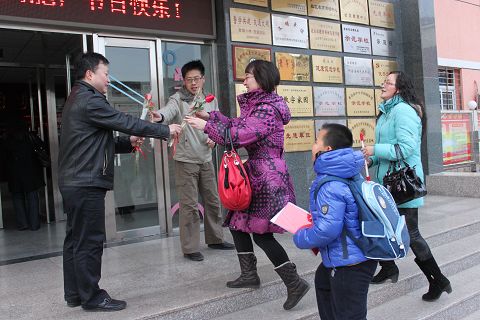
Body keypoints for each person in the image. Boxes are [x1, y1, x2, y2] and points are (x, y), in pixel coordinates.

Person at [58, 52, 181, 312]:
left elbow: (100, 142)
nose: (109, 81)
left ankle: (75, 294)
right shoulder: (89, 99)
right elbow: (122, 121)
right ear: (90, 74)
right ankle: (92, 296)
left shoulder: (78, 98)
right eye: (106, 74)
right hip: (85, 181)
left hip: (77, 180)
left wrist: (128, 142)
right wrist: (163, 130)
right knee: (89, 240)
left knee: (76, 238)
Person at [186, 60, 309, 310]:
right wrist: (210, 116)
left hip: (267, 177)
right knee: (237, 223)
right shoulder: (257, 105)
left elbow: (242, 135)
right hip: (256, 173)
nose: (244, 80)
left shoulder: (267, 108)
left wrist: (207, 126)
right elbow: (237, 125)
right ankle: (249, 275)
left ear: (262, 79)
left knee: (261, 235)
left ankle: (294, 282)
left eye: (248, 76)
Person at [361, 71, 452, 301]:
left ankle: (439, 280)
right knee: (380, 225)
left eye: (388, 83)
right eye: (384, 82)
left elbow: (406, 149)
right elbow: (388, 148)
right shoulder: (387, 111)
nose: (383, 85)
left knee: (411, 235)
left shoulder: (403, 111)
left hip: (403, 186)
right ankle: (389, 268)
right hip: (388, 184)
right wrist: (370, 159)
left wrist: (375, 150)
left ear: (399, 89)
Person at [152, 60, 234, 262]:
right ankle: (190, 248)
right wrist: (159, 116)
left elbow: (216, 122)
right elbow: (167, 111)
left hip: (205, 158)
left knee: (213, 201)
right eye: (189, 79)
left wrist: (214, 138)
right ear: (184, 81)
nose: (193, 83)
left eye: (197, 79)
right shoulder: (178, 99)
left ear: (203, 79)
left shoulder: (210, 99)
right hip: (185, 159)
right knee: (188, 205)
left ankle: (215, 239)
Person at [293, 123, 377, 320]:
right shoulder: (350, 172)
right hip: (356, 256)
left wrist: (300, 236)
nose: (312, 146)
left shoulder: (330, 184)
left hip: (349, 264)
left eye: (316, 142)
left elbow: (327, 230)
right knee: (323, 279)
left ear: (327, 149)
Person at [4, 121, 44, 231]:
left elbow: (4, 157)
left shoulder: (8, 140)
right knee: (32, 197)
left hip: (15, 174)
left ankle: (23, 224)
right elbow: (42, 148)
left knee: (17, 198)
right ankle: (34, 224)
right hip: (31, 172)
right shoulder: (30, 137)